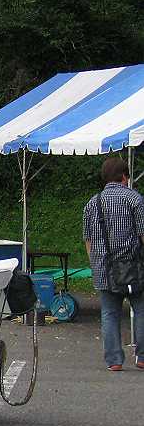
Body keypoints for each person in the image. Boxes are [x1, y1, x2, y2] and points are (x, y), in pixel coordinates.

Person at [83, 156, 144, 371]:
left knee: (109, 313)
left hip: (104, 270)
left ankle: (114, 360)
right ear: (124, 177)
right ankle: (142, 357)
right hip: (134, 268)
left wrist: (95, 264)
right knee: (141, 309)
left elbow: (88, 240)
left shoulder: (92, 203)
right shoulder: (135, 199)